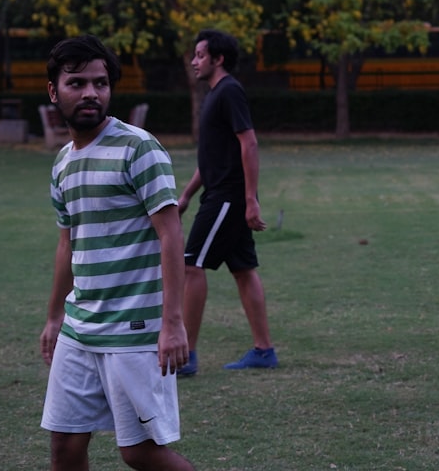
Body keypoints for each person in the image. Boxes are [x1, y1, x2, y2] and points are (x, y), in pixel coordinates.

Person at [40, 35, 195, 470]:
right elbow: (68, 242)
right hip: (80, 327)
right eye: (76, 83)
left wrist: (173, 324)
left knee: (140, 452)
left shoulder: (138, 148)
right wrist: (55, 317)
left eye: (100, 83)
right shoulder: (62, 162)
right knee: (65, 447)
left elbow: (170, 235)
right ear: (54, 90)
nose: (90, 92)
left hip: (136, 328)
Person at [177, 29, 277, 376]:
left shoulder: (229, 92)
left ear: (218, 59)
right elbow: (213, 157)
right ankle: (264, 351)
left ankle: (185, 355)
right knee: (243, 269)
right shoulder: (216, 96)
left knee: (191, 265)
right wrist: (187, 194)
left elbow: (248, 144)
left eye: (200, 55)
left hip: (228, 197)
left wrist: (250, 200)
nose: (194, 61)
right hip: (220, 193)